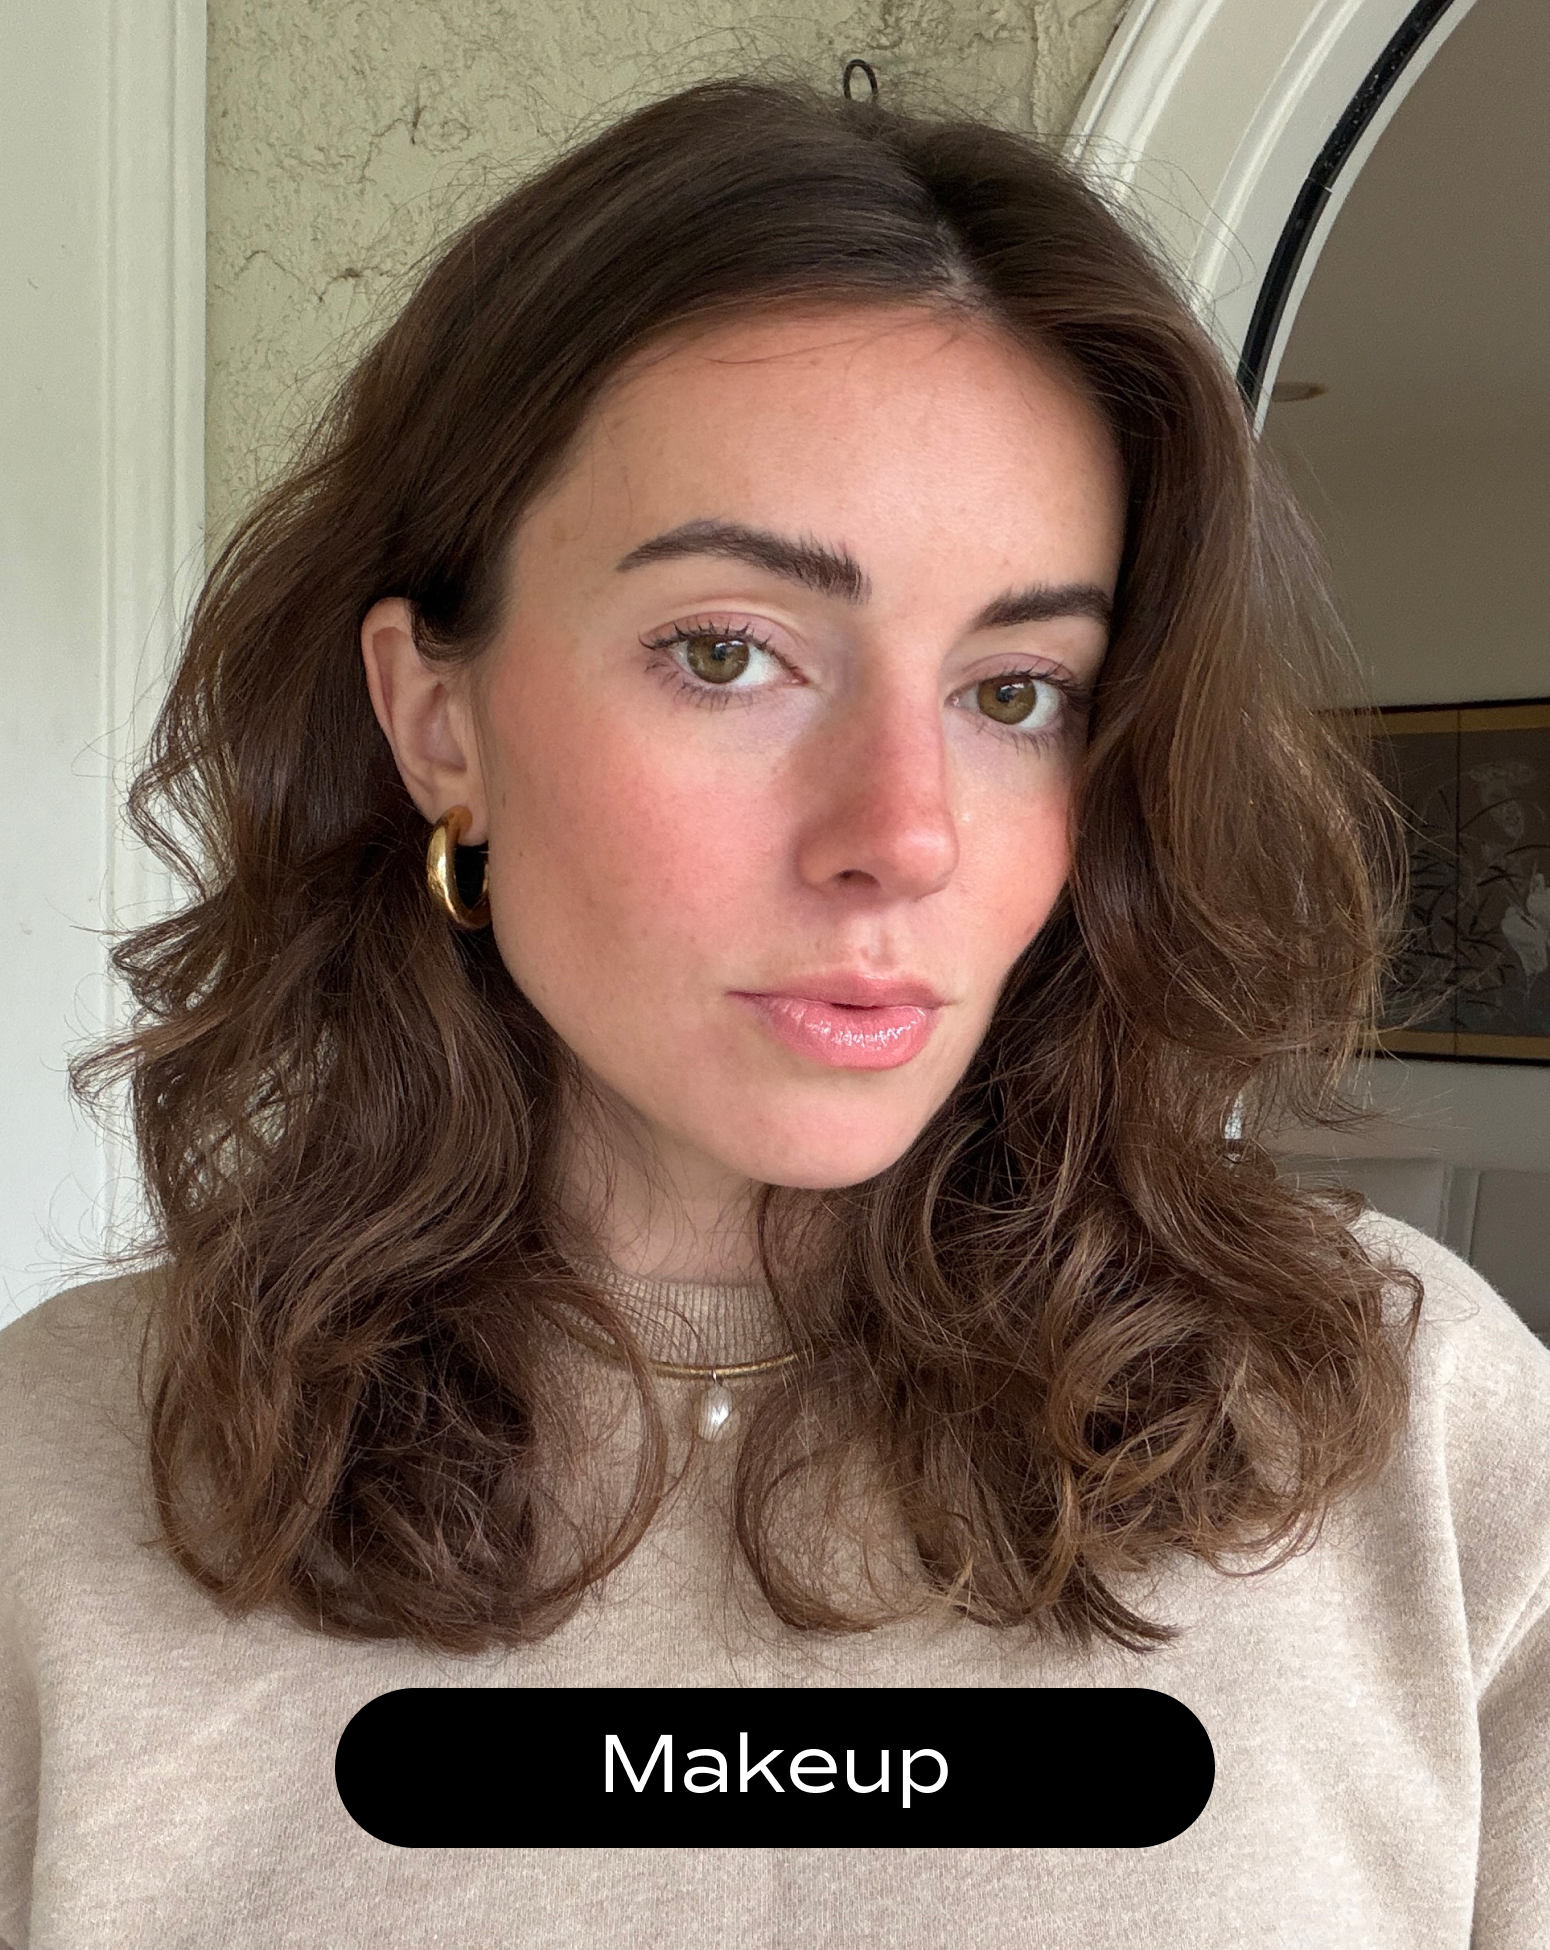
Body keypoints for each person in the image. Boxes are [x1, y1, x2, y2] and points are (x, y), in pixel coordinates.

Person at [1, 74, 1546, 1949]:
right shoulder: (53, 1487)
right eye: (726, 652)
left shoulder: (1410, 1434)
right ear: (438, 722)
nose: (897, 836)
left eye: (1015, 689)